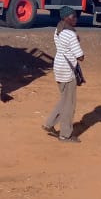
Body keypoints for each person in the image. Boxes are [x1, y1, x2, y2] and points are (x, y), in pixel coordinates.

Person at [42, 7, 84, 144]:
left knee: (64, 99)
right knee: (69, 104)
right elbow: (80, 56)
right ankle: (65, 135)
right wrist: (77, 41)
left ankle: (49, 123)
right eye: (73, 17)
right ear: (66, 18)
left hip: (59, 66)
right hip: (67, 70)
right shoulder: (71, 34)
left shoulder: (58, 29)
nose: (76, 19)